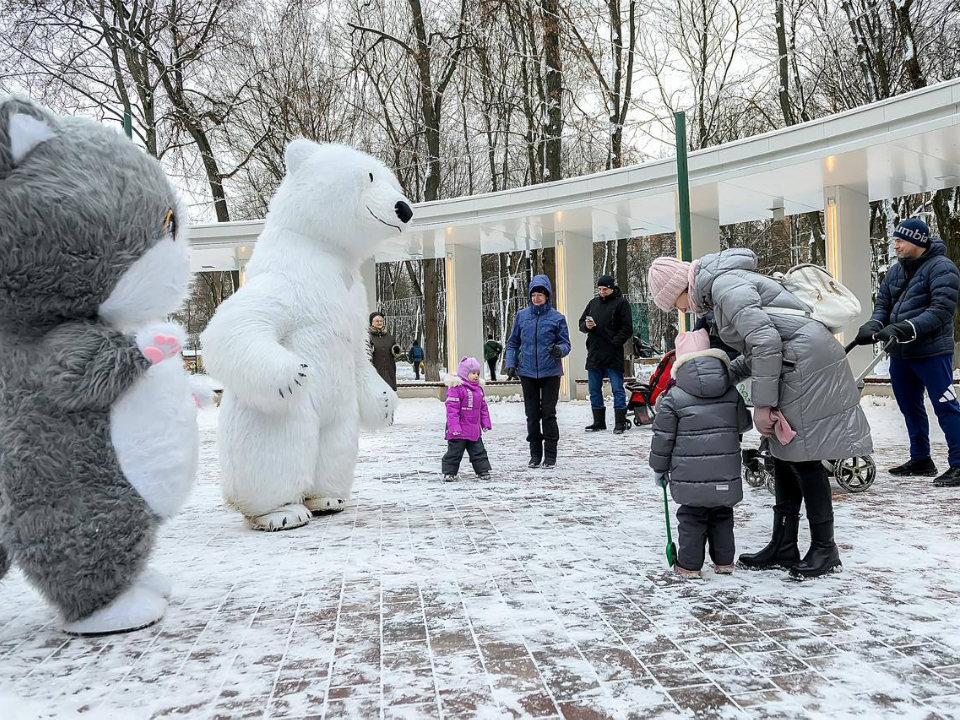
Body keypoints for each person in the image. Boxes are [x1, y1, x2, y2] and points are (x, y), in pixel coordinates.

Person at [647, 249, 872, 580]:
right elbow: (759, 349)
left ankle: (826, 549)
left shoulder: (724, 287)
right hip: (793, 359)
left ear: (682, 287)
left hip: (805, 363)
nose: (682, 309)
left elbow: (766, 343)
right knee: (783, 452)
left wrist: (763, 404)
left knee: (805, 457)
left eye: (676, 302)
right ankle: (784, 543)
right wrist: (723, 375)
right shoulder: (721, 286)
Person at [854, 218, 960, 487]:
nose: (896, 245)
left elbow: (940, 310)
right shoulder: (895, 271)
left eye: (900, 240)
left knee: (946, 407)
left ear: (917, 241)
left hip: (933, 353)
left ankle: (959, 463)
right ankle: (921, 458)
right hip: (901, 354)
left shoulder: (943, 268)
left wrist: (904, 327)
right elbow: (883, 304)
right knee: (910, 408)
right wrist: (875, 324)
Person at [649, 330, 752, 578]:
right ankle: (724, 562)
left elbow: (663, 438)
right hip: (725, 473)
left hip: (688, 474)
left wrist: (659, 468)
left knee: (692, 517)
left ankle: (689, 565)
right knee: (722, 515)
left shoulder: (673, 397)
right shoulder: (730, 391)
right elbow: (743, 424)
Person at [505, 274, 571, 468]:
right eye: (534, 294)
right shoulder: (522, 316)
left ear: (547, 296)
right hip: (527, 372)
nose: (537, 298)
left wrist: (559, 350)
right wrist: (511, 363)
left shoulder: (557, 318)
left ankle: (550, 455)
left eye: (541, 294)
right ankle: (535, 454)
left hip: (550, 372)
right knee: (532, 415)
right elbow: (513, 342)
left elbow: (565, 343)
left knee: (548, 413)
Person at [579, 274, 634, 434]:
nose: (602, 292)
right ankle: (598, 421)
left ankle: (620, 422)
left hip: (613, 353)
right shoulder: (593, 303)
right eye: (600, 289)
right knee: (594, 389)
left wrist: (614, 341)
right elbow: (581, 323)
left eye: (605, 289)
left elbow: (627, 328)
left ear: (611, 288)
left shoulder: (621, 303)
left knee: (617, 388)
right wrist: (586, 326)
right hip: (594, 351)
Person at [443, 357, 492, 482]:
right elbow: (452, 410)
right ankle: (449, 472)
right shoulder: (456, 388)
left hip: (474, 430)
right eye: (473, 373)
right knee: (454, 452)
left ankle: (482, 470)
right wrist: (453, 426)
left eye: (477, 373)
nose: (476, 376)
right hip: (458, 430)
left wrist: (485, 423)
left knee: (478, 451)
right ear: (465, 373)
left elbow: (483, 408)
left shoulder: (478, 390)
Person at [368, 311, 400, 391]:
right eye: (377, 321)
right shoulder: (368, 337)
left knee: (388, 395)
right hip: (375, 371)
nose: (379, 323)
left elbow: (396, 352)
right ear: (372, 322)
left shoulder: (389, 337)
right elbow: (364, 355)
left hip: (389, 371)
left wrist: (396, 350)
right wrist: (370, 351)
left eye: (381, 321)